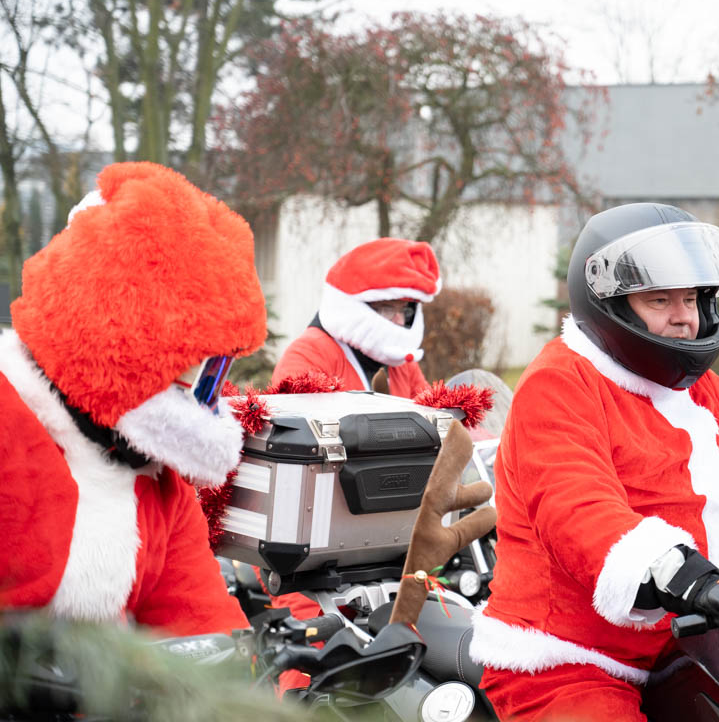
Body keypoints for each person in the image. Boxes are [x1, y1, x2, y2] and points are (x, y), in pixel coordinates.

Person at [470, 202, 719, 721]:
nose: (684, 316)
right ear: (612, 306)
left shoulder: (701, 392)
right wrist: (696, 580)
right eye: (661, 299)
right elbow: (578, 511)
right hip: (566, 662)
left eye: (690, 298)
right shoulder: (559, 383)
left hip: (681, 644)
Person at [0, 162, 268, 636]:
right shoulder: (10, 420)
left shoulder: (159, 483)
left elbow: (202, 622)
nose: (203, 400)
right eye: (194, 364)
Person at [272, 237, 440, 396]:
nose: (400, 321)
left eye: (404, 310)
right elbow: (296, 419)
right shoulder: (309, 353)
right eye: (388, 308)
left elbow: (430, 414)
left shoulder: (401, 361)